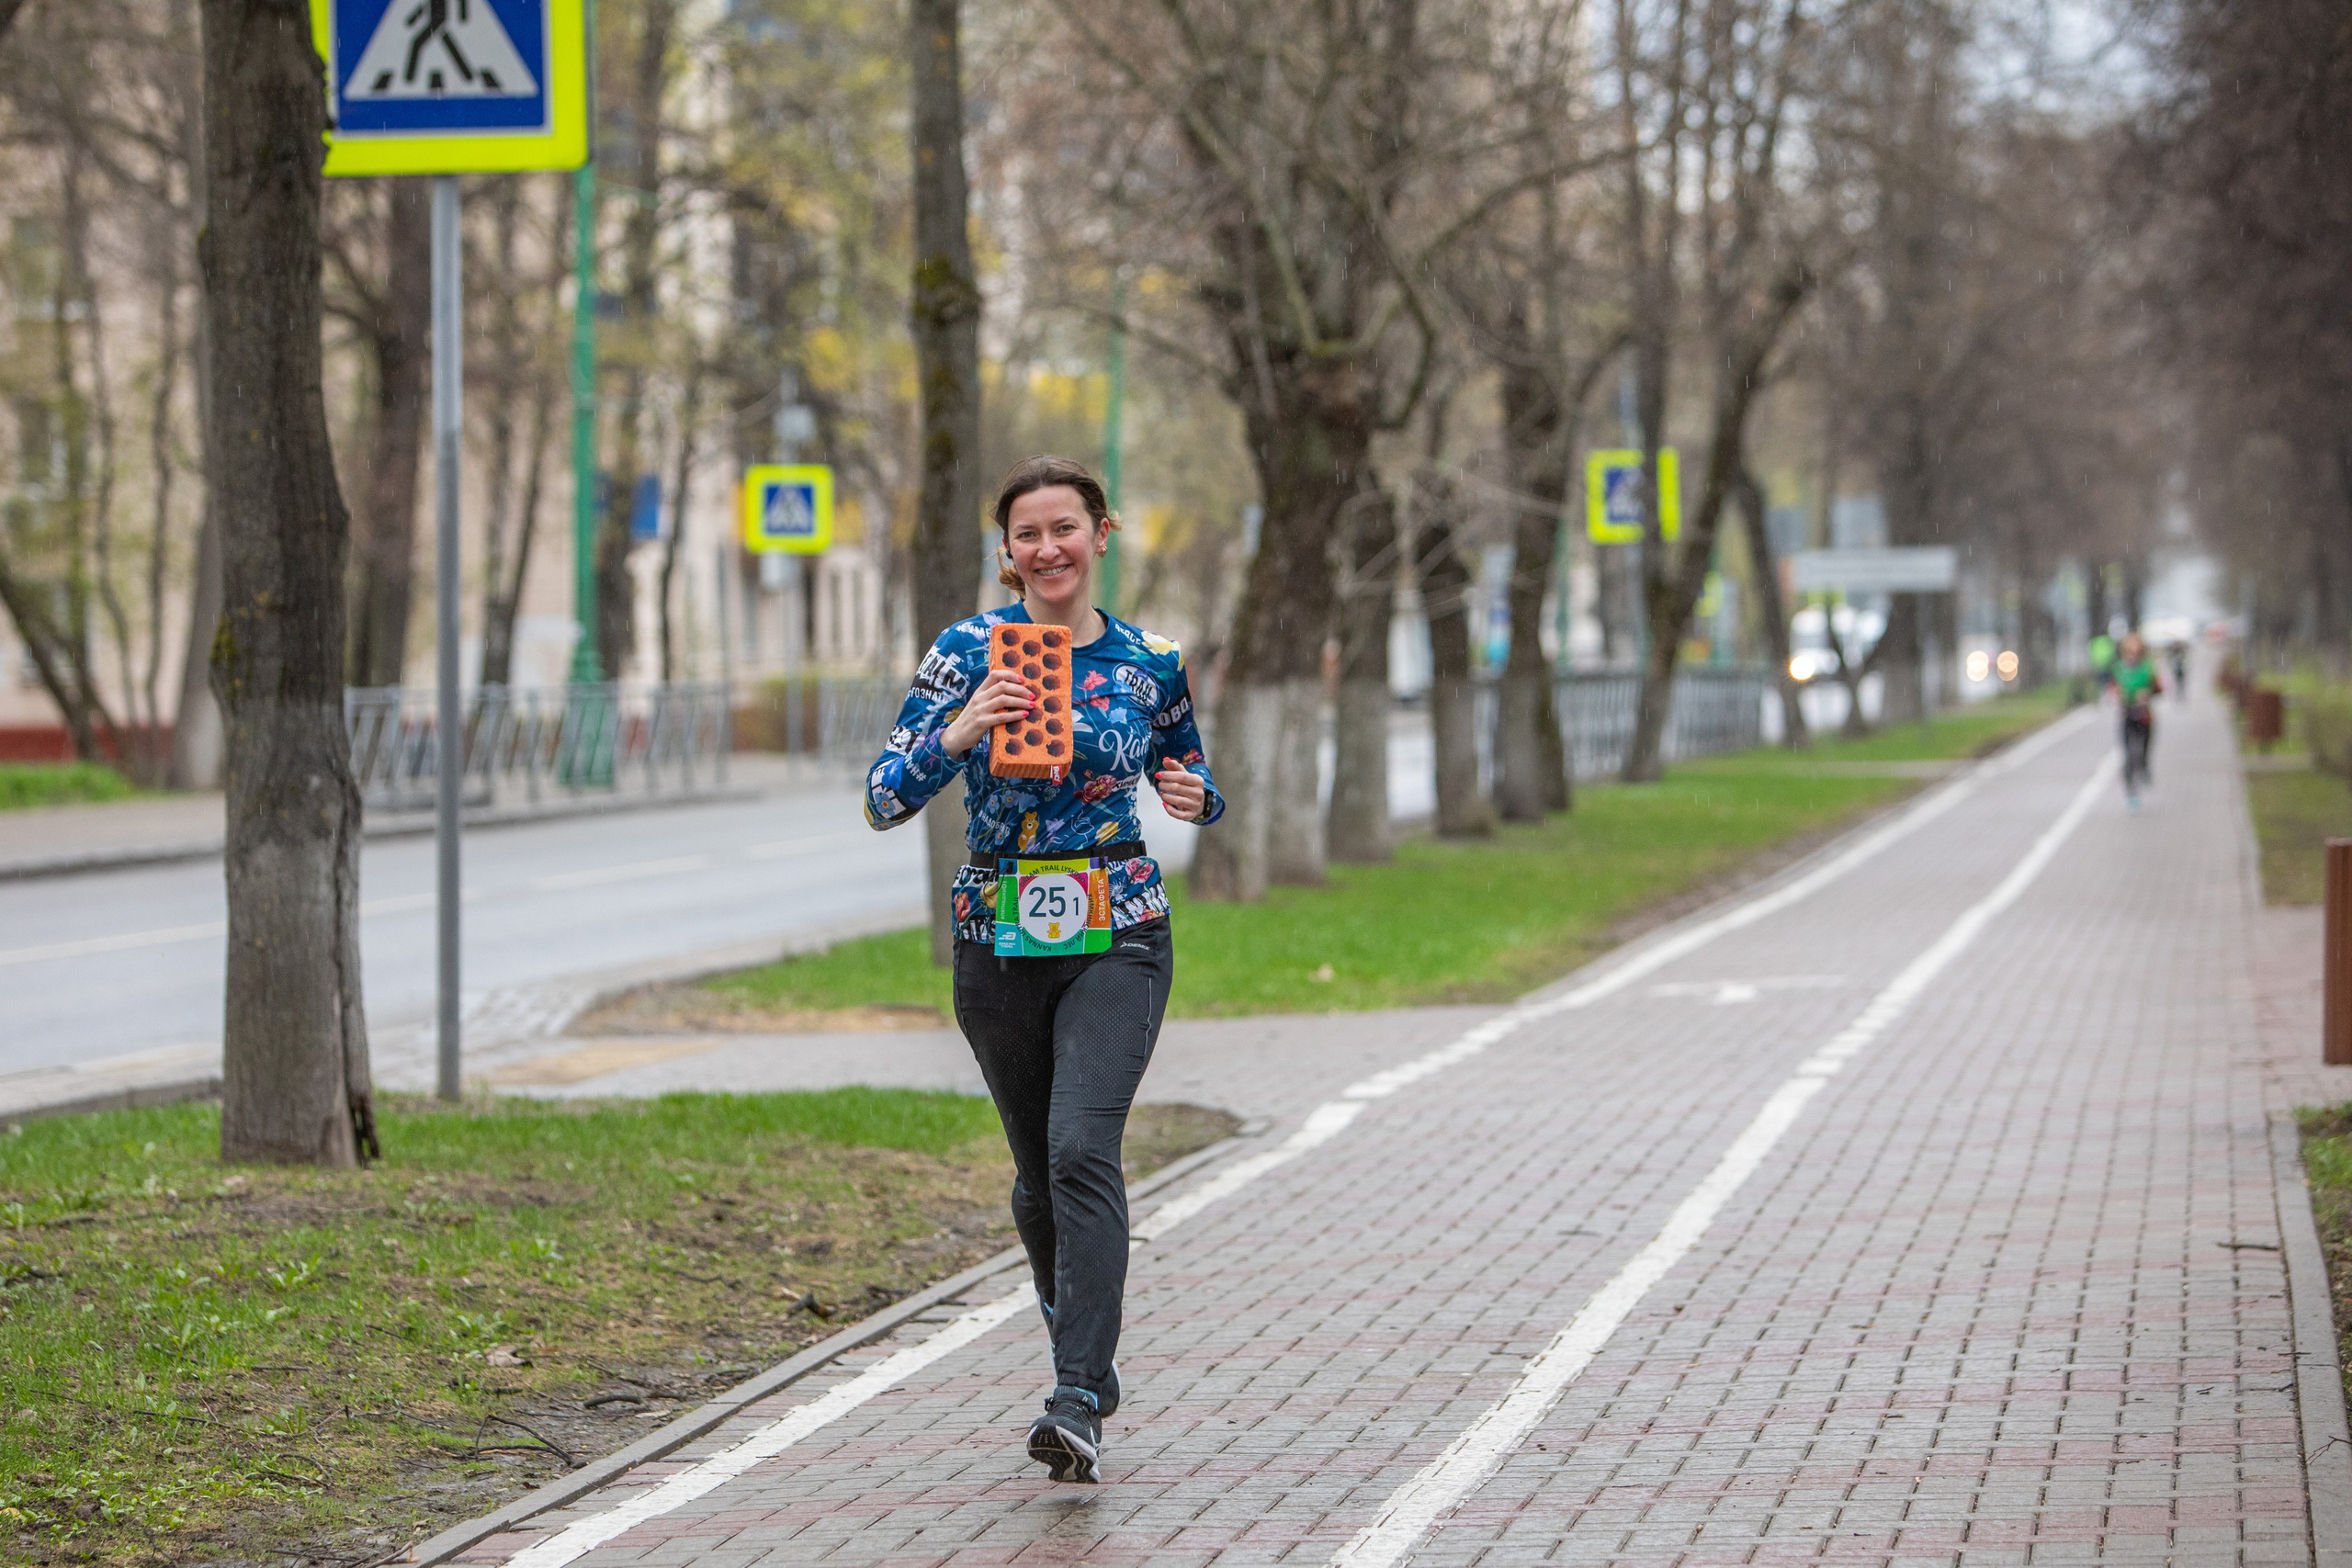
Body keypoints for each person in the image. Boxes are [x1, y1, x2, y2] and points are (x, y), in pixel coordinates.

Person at [864, 455, 1224, 1483]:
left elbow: (1191, 772)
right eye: (1028, 533)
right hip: (999, 935)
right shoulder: (965, 651)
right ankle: (1086, 1352)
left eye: (1065, 527)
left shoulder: (1151, 659)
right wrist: (959, 731)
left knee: (1079, 1149)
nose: (1048, 547)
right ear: (1008, 552)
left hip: (1119, 928)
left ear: (1101, 535)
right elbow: (883, 797)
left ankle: (1073, 1400)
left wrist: (1199, 799)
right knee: (1036, 1181)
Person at [2114, 631, 2164, 808]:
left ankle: (2145, 769)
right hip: (2127, 716)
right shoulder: (2119, 668)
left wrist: (2147, 694)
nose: (2132, 653)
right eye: (2129, 649)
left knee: (2142, 753)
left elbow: (2159, 689)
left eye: (2135, 649)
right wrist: (2117, 694)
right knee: (2129, 756)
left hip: (2144, 717)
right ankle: (2131, 793)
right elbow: (2113, 688)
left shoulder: (2148, 668)